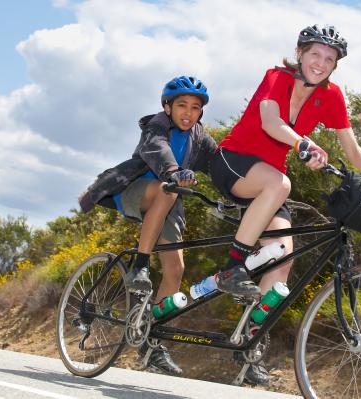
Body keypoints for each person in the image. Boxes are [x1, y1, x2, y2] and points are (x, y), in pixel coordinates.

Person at [209, 24, 361, 385]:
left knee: (282, 257)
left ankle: (249, 346)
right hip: (234, 161)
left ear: (334, 66)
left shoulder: (331, 96)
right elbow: (270, 121)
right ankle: (232, 268)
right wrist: (303, 144)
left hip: (271, 184)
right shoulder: (277, 77)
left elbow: (351, 148)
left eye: (329, 59)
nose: (321, 62)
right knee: (279, 183)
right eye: (315, 53)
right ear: (300, 53)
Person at [78, 75, 217, 376]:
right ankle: (139, 265)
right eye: (181, 105)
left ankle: (151, 342)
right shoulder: (156, 126)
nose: (188, 112)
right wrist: (174, 171)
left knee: (175, 270)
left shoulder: (199, 136)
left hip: (167, 204)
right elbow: (158, 149)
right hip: (137, 190)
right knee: (167, 189)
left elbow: (220, 163)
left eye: (195, 107)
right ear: (167, 107)